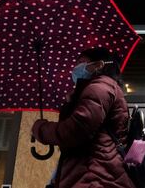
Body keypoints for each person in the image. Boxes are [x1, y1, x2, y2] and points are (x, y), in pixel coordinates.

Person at [31, 48, 136, 188]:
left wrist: (40, 128)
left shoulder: (100, 87)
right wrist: (73, 102)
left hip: (95, 177)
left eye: (81, 62)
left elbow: (75, 130)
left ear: (99, 64)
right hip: (93, 175)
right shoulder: (97, 88)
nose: (76, 68)